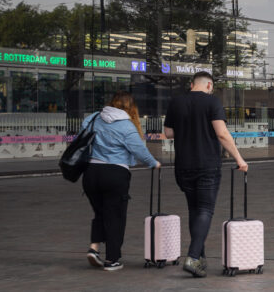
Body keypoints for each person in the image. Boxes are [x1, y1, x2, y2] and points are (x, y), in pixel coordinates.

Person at [164, 71, 248, 278]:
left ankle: (199, 260)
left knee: (194, 209)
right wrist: (239, 159)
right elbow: (221, 133)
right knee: (205, 210)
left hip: (183, 166)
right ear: (209, 85)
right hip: (207, 165)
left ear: (192, 84)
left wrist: (187, 127)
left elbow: (168, 133)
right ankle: (193, 256)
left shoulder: (176, 102)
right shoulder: (212, 103)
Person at [81, 91, 161, 272]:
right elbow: (139, 150)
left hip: (91, 173)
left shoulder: (93, 118)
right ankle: (112, 259)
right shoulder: (126, 126)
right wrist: (153, 163)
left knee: (101, 212)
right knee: (115, 216)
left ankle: (94, 248)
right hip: (115, 173)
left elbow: (82, 138)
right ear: (131, 107)